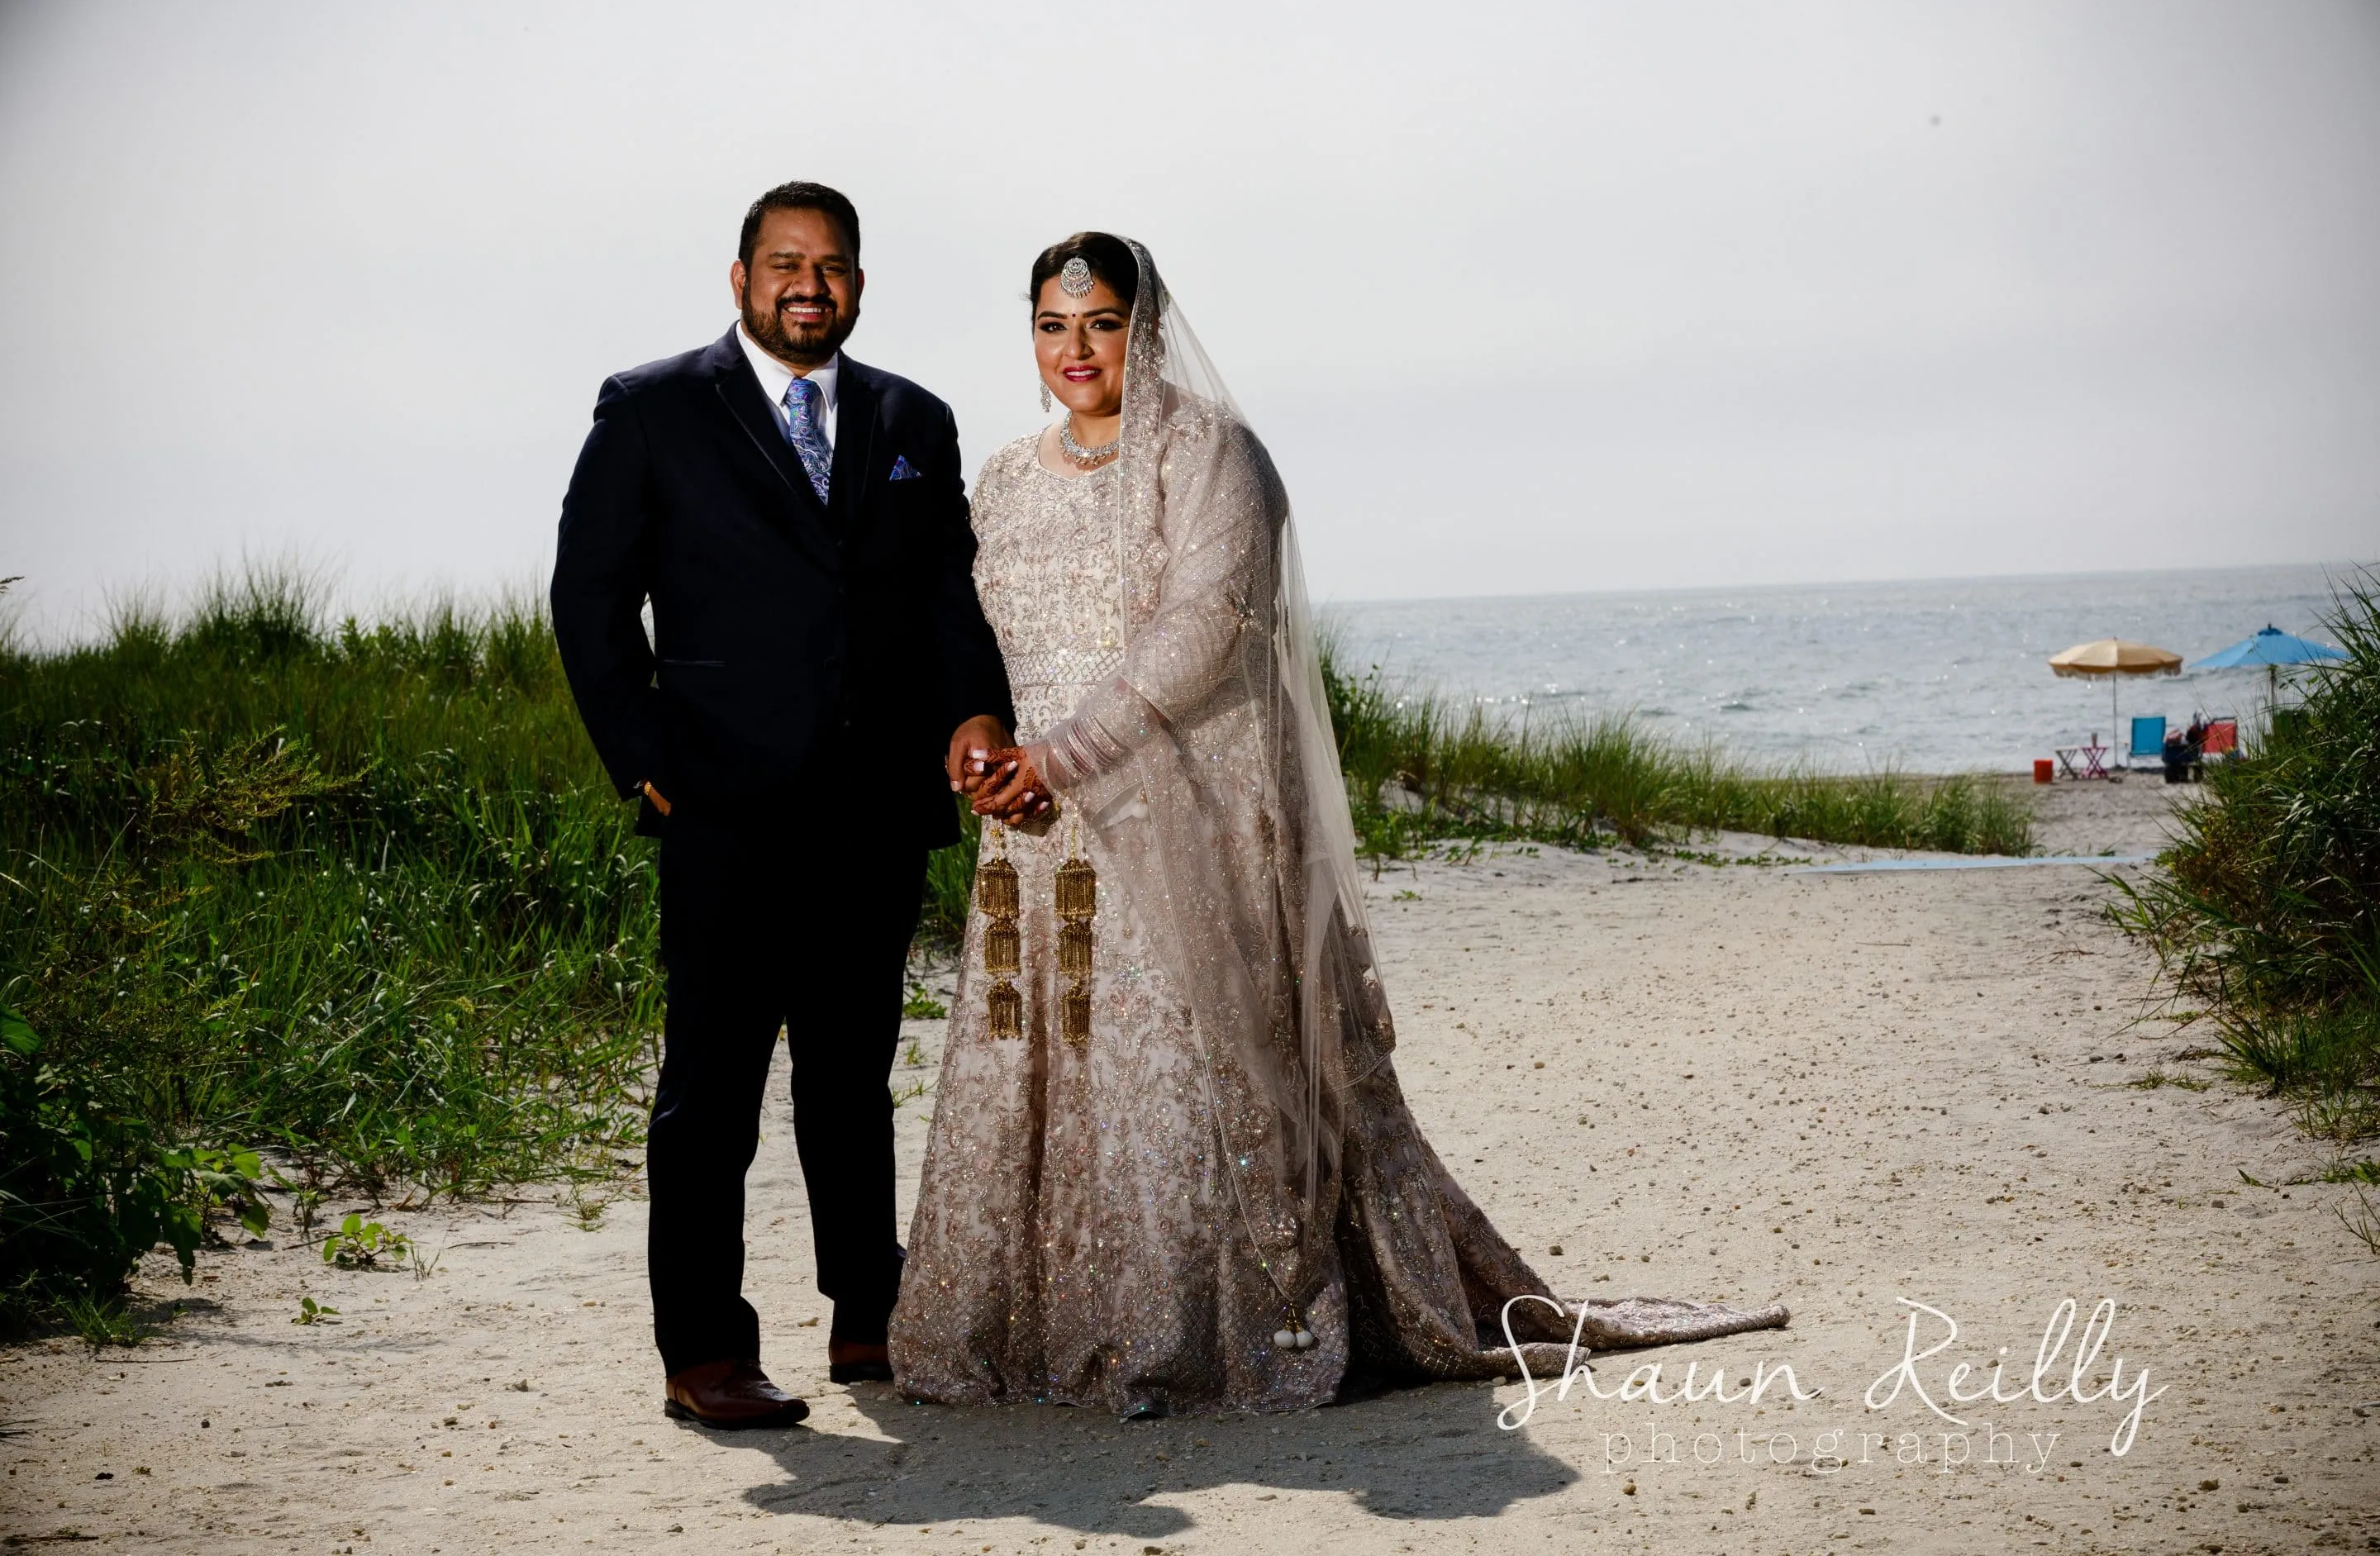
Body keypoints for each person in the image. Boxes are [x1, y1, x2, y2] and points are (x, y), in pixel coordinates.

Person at [887, 235, 1787, 1416]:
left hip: (1177, 808)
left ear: (1144, 330)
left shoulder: (1212, 454)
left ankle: (1177, 1338)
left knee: (1174, 1068)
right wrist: (981, 738)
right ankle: (1047, 1331)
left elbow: (1205, 629)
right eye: (1054, 327)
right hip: (1037, 822)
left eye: (1102, 323)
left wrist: (1060, 753)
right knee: (1050, 1059)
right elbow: (968, 626)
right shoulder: (1006, 476)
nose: (1077, 350)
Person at [551, 181, 1014, 1429]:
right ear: (742, 277)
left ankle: (869, 1311)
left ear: (858, 282)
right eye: (785, 263)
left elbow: (950, 596)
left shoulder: (914, 418)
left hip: (875, 804)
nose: (810, 286)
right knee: (711, 1089)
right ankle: (705, 1350)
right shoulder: (651, 409)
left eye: (832, 265)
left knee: (852, 1078)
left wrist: (974, 713)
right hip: (721, 804)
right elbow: (589, 598)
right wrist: (644, 758)